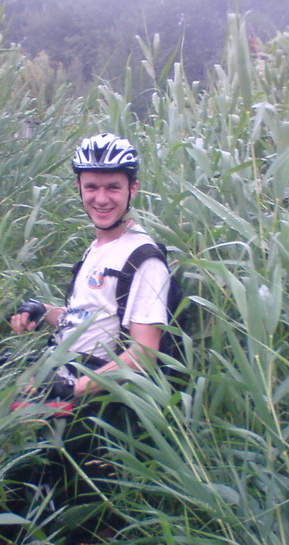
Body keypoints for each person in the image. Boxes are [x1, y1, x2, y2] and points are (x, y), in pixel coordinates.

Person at [9, 132, 170, 405]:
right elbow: (89, 320)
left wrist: (72, 389)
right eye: (92, 187)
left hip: (90, 397)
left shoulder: (144, 259)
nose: (101, 199)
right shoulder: (98, 248)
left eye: (113, 187)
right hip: (58, 370)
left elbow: (144, 353)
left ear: (133, 188)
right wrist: (43, 310)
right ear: (79, 187)